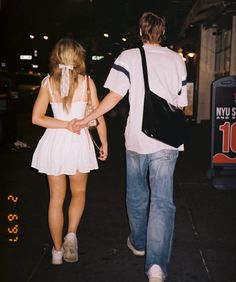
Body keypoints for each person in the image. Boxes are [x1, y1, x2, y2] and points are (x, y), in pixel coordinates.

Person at [73, 11, 188, 282]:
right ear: (162, 32)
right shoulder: (177, 59)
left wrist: (87, 119)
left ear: (141, 31)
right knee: (162, 201)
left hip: (137, 138)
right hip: (168, 141)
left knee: (137, 195)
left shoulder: (128, 57)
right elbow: (182, 103)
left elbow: (114, 96)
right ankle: (156, 266)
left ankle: (138, 243)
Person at [31, 37, 108, 265]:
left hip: (54, 142)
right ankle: (71, 234)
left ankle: (56, 252)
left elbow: (37, 118)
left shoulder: (48, 83)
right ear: (78, 58)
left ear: (56, 57)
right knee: (79, 193)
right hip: (78, 143)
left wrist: (64, 123)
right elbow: (99, 116)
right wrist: (104, 143)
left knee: (55, 199)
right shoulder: (86, 83)